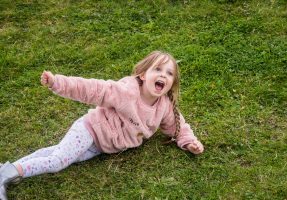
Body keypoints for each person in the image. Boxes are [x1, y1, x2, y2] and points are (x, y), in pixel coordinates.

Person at [0, 51, 204, 200]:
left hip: (98, 147)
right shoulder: (125, 92)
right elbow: (91, 89)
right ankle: (7, 175)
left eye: (169, 73)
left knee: (57, 153)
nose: (163, 75)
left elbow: (177, 127)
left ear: (172, 82)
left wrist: (189, 142)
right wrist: (57, 82)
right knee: (58, 161)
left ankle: (5, 169)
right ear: (143, 75)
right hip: (89, 130)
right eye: (157, 69)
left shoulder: (165, 107)